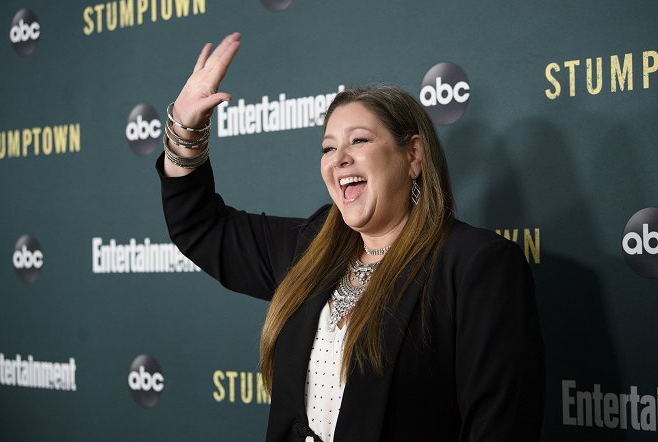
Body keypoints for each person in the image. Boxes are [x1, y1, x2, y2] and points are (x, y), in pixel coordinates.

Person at [157, 32, 545, 441]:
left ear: (413, 155)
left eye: (359, 141)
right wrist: (185, 128)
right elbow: (200, 226)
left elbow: (500, 429)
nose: (339, 159)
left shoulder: (474, 265)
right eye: (327, 148)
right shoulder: (309, 248)